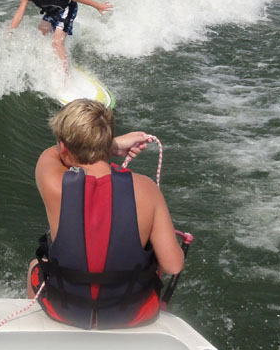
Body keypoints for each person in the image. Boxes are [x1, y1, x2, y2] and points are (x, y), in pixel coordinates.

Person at [28, 99, 184, 329]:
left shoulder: (54, 184)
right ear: (104, 140)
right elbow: (173, 265)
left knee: (35, 265)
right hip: (130, 314)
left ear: (64, 147)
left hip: (66, 311)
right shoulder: (146, 189)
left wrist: (110, 145)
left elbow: (49, 154)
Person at [8, 0, 113, 70]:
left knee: (57, 42)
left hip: (67, 8)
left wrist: (97, 5)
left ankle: (65, 77)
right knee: (41, 32)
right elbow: (20, 14)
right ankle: (54, 57)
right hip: (52, 11)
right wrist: (10, 30)